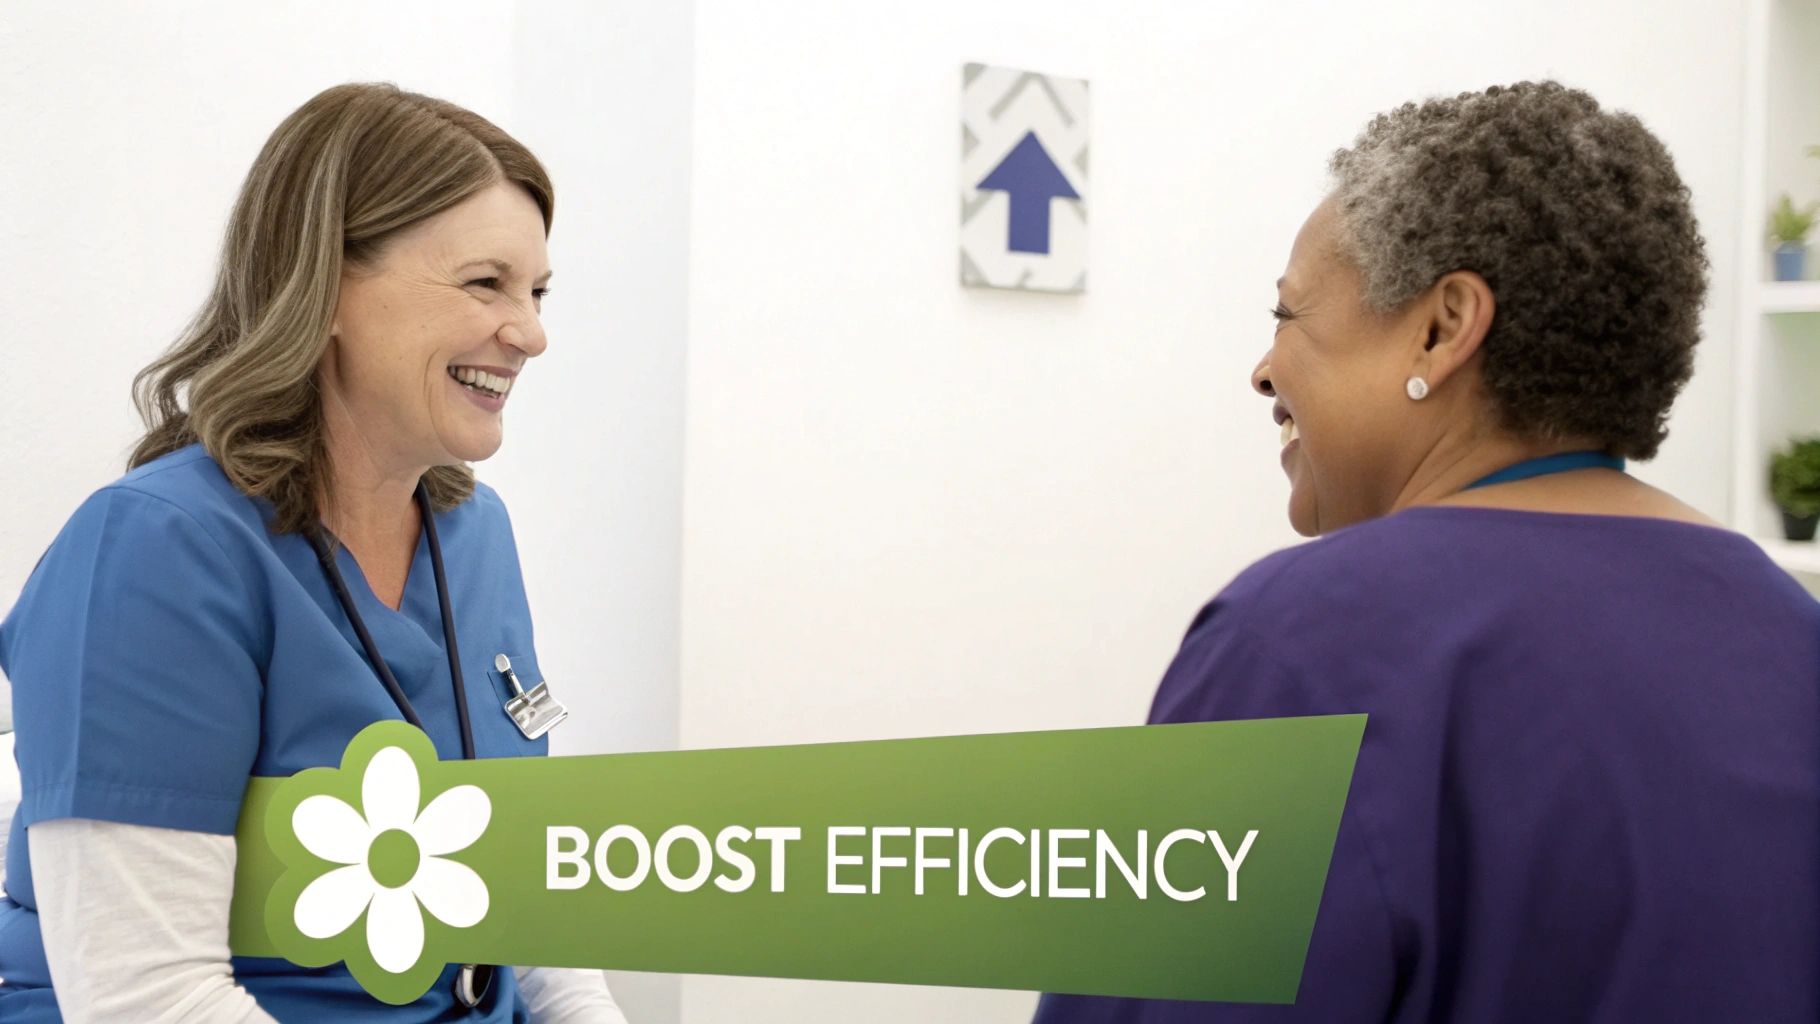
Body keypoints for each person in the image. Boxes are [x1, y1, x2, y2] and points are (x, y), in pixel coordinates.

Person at [1033, 80, 1820, 1023]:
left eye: (1288, 317)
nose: (1264, 370)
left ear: (1444, 329)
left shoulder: (1304, 647)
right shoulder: (1793, 636)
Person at [0, 83, 628, 1022]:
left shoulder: (474, 533)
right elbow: (148, 997)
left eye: (536, 293)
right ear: (326, 288)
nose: (531, 334)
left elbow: (526, 901)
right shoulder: (160, 551)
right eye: (484, 283)